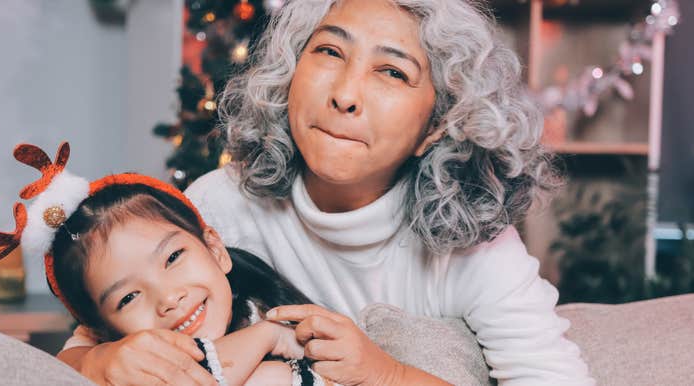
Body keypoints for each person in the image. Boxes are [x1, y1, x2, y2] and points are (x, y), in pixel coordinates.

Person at [62, 0, 595, 384]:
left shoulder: (480, 248)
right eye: (329, 53)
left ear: (436, 125)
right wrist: (101, 363)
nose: (345, 94)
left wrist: (386, 374)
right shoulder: (223, 205)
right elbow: (78, 348)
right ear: (290, 74)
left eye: (391, 71)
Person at [0, 142, 344, 386]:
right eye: (128, 298)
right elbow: (63, 367)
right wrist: (97, 361)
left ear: (215, 249)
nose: (168, 298)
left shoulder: (271, 308)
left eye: (172, 258)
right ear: (102, 330)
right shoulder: (133, 358)